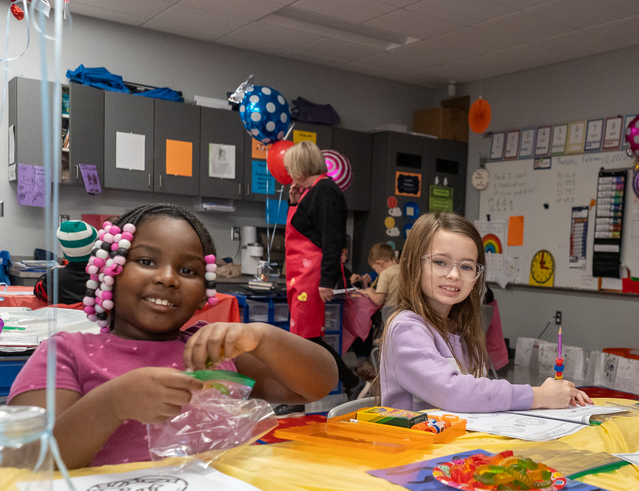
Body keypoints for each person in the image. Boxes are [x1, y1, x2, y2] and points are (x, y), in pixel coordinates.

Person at [7, 204, 338, 469]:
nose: (167, 279)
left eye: (188, 271)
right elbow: (33, 459)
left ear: (203, 294)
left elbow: (316, 384)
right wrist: (113, 403)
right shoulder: (66, 353)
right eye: (147, 261)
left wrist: (263, 337)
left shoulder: (213, 350)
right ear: (110, 272)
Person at [378, 213, 592, 412]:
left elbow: (476, 393)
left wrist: (551, 396)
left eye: (466, 266)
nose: (454, 274)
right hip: (416, 449)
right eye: (440, 262)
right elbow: (452, 391)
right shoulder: (406, 328)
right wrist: (540, 396)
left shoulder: (460, 330)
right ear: (412, 265)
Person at [280, 140, 361, 412]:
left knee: (306, 340)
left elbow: (331, 240)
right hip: (299, 275)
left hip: (311, 276)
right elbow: (302, 230)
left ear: (301, 166)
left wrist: (327, 281)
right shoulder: (310, 192)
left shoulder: (325, 191)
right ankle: (350, 383)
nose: (289, 172)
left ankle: (301, 398)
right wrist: (293, 202)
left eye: (291, 167)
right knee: (304, 338)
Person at [349, 243, 400, 380]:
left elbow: (378, 300)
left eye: (374, 268)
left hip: (389, 312)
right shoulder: (403, 270)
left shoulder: (385, 273)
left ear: (380, 263)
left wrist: (368, 291)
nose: (376, 271)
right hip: (404, 312)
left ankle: (383, 375)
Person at [32, 220, 97, 305]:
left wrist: (52, 272)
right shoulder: (104, 277)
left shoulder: (55, 277)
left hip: (65, 318)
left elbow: (39, 292)